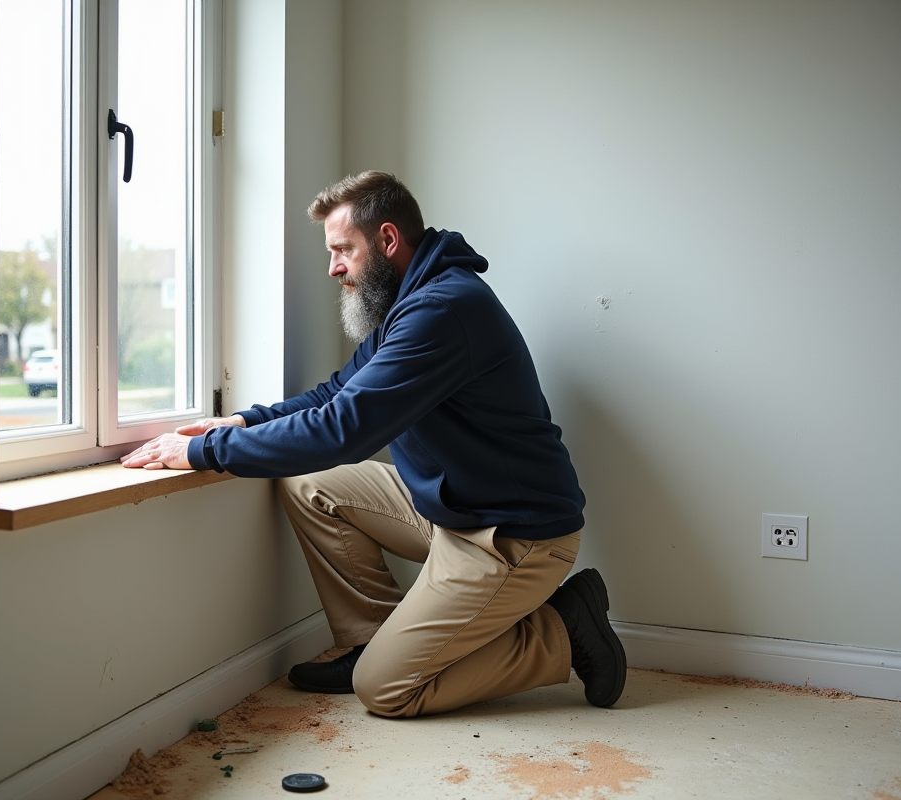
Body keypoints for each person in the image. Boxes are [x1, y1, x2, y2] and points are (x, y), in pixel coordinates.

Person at [121, 171, 626, 718]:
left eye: (343, 249)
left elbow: (344, 430)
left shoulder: (443, 310)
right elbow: (336, 392)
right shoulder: (406, 305)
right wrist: (240, 422)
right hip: (457, 507)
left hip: (513, 536)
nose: (333, 267)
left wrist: (204, 454)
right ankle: (376, 640)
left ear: (387, 239)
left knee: (385, 690)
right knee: (311, 485)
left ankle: (563, 628)